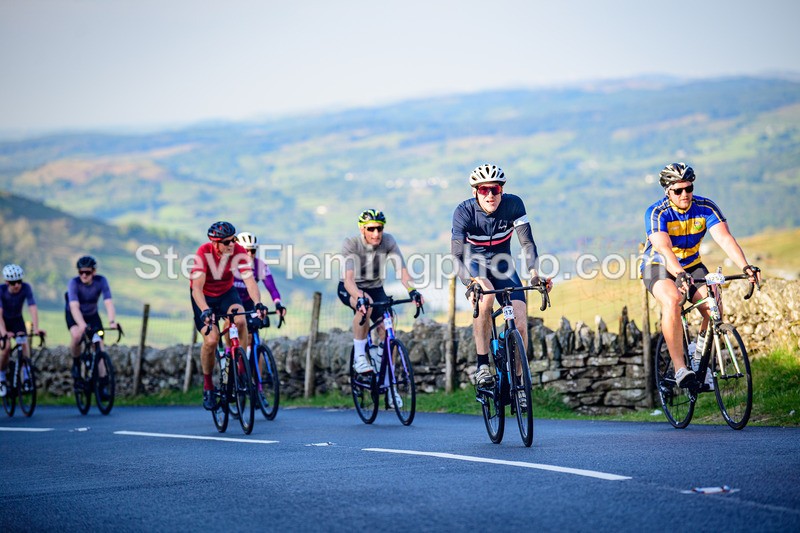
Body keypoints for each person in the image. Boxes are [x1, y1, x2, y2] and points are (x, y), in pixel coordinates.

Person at [642, 162, 761, 389]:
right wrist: (678, 274)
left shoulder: (706, 208)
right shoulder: (657, 212)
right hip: (659, 265)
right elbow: (663, 248)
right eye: (678, 190)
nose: (685, 194)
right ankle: (680, 368)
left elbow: (725, 239)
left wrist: (746, 267)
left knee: (713, 305)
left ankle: (698, 357)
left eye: (689, 188)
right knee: (673, 300)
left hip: (692, 264)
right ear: (668, 192)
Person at [450, 164, 551, 408]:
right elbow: (456, 256)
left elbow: (527, 244)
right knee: (484, 296)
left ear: (501, 190)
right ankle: (483, 364)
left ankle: (519, 384)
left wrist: (535, 274)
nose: (490, 195)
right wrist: (468, 283)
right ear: (476, 192)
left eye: (494, 189)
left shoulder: (514, 205)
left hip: (504, 266)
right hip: (475, 266)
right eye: (484, 190)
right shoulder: (463, 212)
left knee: (521, 320)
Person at [338, 209, 424, 382]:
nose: (376, 233)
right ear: (362, 229)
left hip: (376, 288)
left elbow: (402, 270)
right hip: (352, 287)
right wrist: (359, 297)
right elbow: (348, 280)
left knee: (388, 327)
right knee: (366, 306)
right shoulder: (352, 244)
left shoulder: (388, 241)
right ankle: (360, 357)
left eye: (379, 228)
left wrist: (412, 290)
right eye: (371, 229)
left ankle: (388, 383)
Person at [190, 221, 267, 410]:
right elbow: (197, 289)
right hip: (204, 297)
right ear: (215, 243)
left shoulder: (238, 251)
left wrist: (257, 303)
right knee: (211, 340)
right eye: (226, 242)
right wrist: (205, 310)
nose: (231, 244)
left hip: (226, 293)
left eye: (233, 239)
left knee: (241, 320)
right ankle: (208, 386)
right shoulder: (204, 253)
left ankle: (240, 370)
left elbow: (250, 280)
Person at [65, 256, 119, 392]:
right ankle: (76, 365)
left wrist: (112, 321)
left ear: (94, 272)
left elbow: (108, 302)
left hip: (92, 315)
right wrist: (81, 324)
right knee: (77, 336)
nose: (84, 275)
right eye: (81, 272)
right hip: (74, 315)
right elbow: (74, 307)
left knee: (99, 346)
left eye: (87, 272)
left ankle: (103, 384)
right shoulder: (74, 283)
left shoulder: (101, 281)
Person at [233, 231, 287, 349]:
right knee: (231, 327)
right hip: (232, 303)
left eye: (253, 250)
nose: (250, 254)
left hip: (248, 303)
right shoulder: (231, 266)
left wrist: (278, 304)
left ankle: (257, 366)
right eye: (246, 250)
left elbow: (272, 289)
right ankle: (230, 357)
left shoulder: (259, 266)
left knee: (254, 340)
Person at [0, 264, 44, 397]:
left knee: (24, 343)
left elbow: (32, 307)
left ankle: (26, 376)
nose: (17, 285)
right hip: (3, 322)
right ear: (7, 282)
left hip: (17, 320)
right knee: (6, 348)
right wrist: (4, 333)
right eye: (13, 282)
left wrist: (36, 328)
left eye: (19, 281)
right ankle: (1, 378)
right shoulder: (1, 291)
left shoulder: (26, 288)